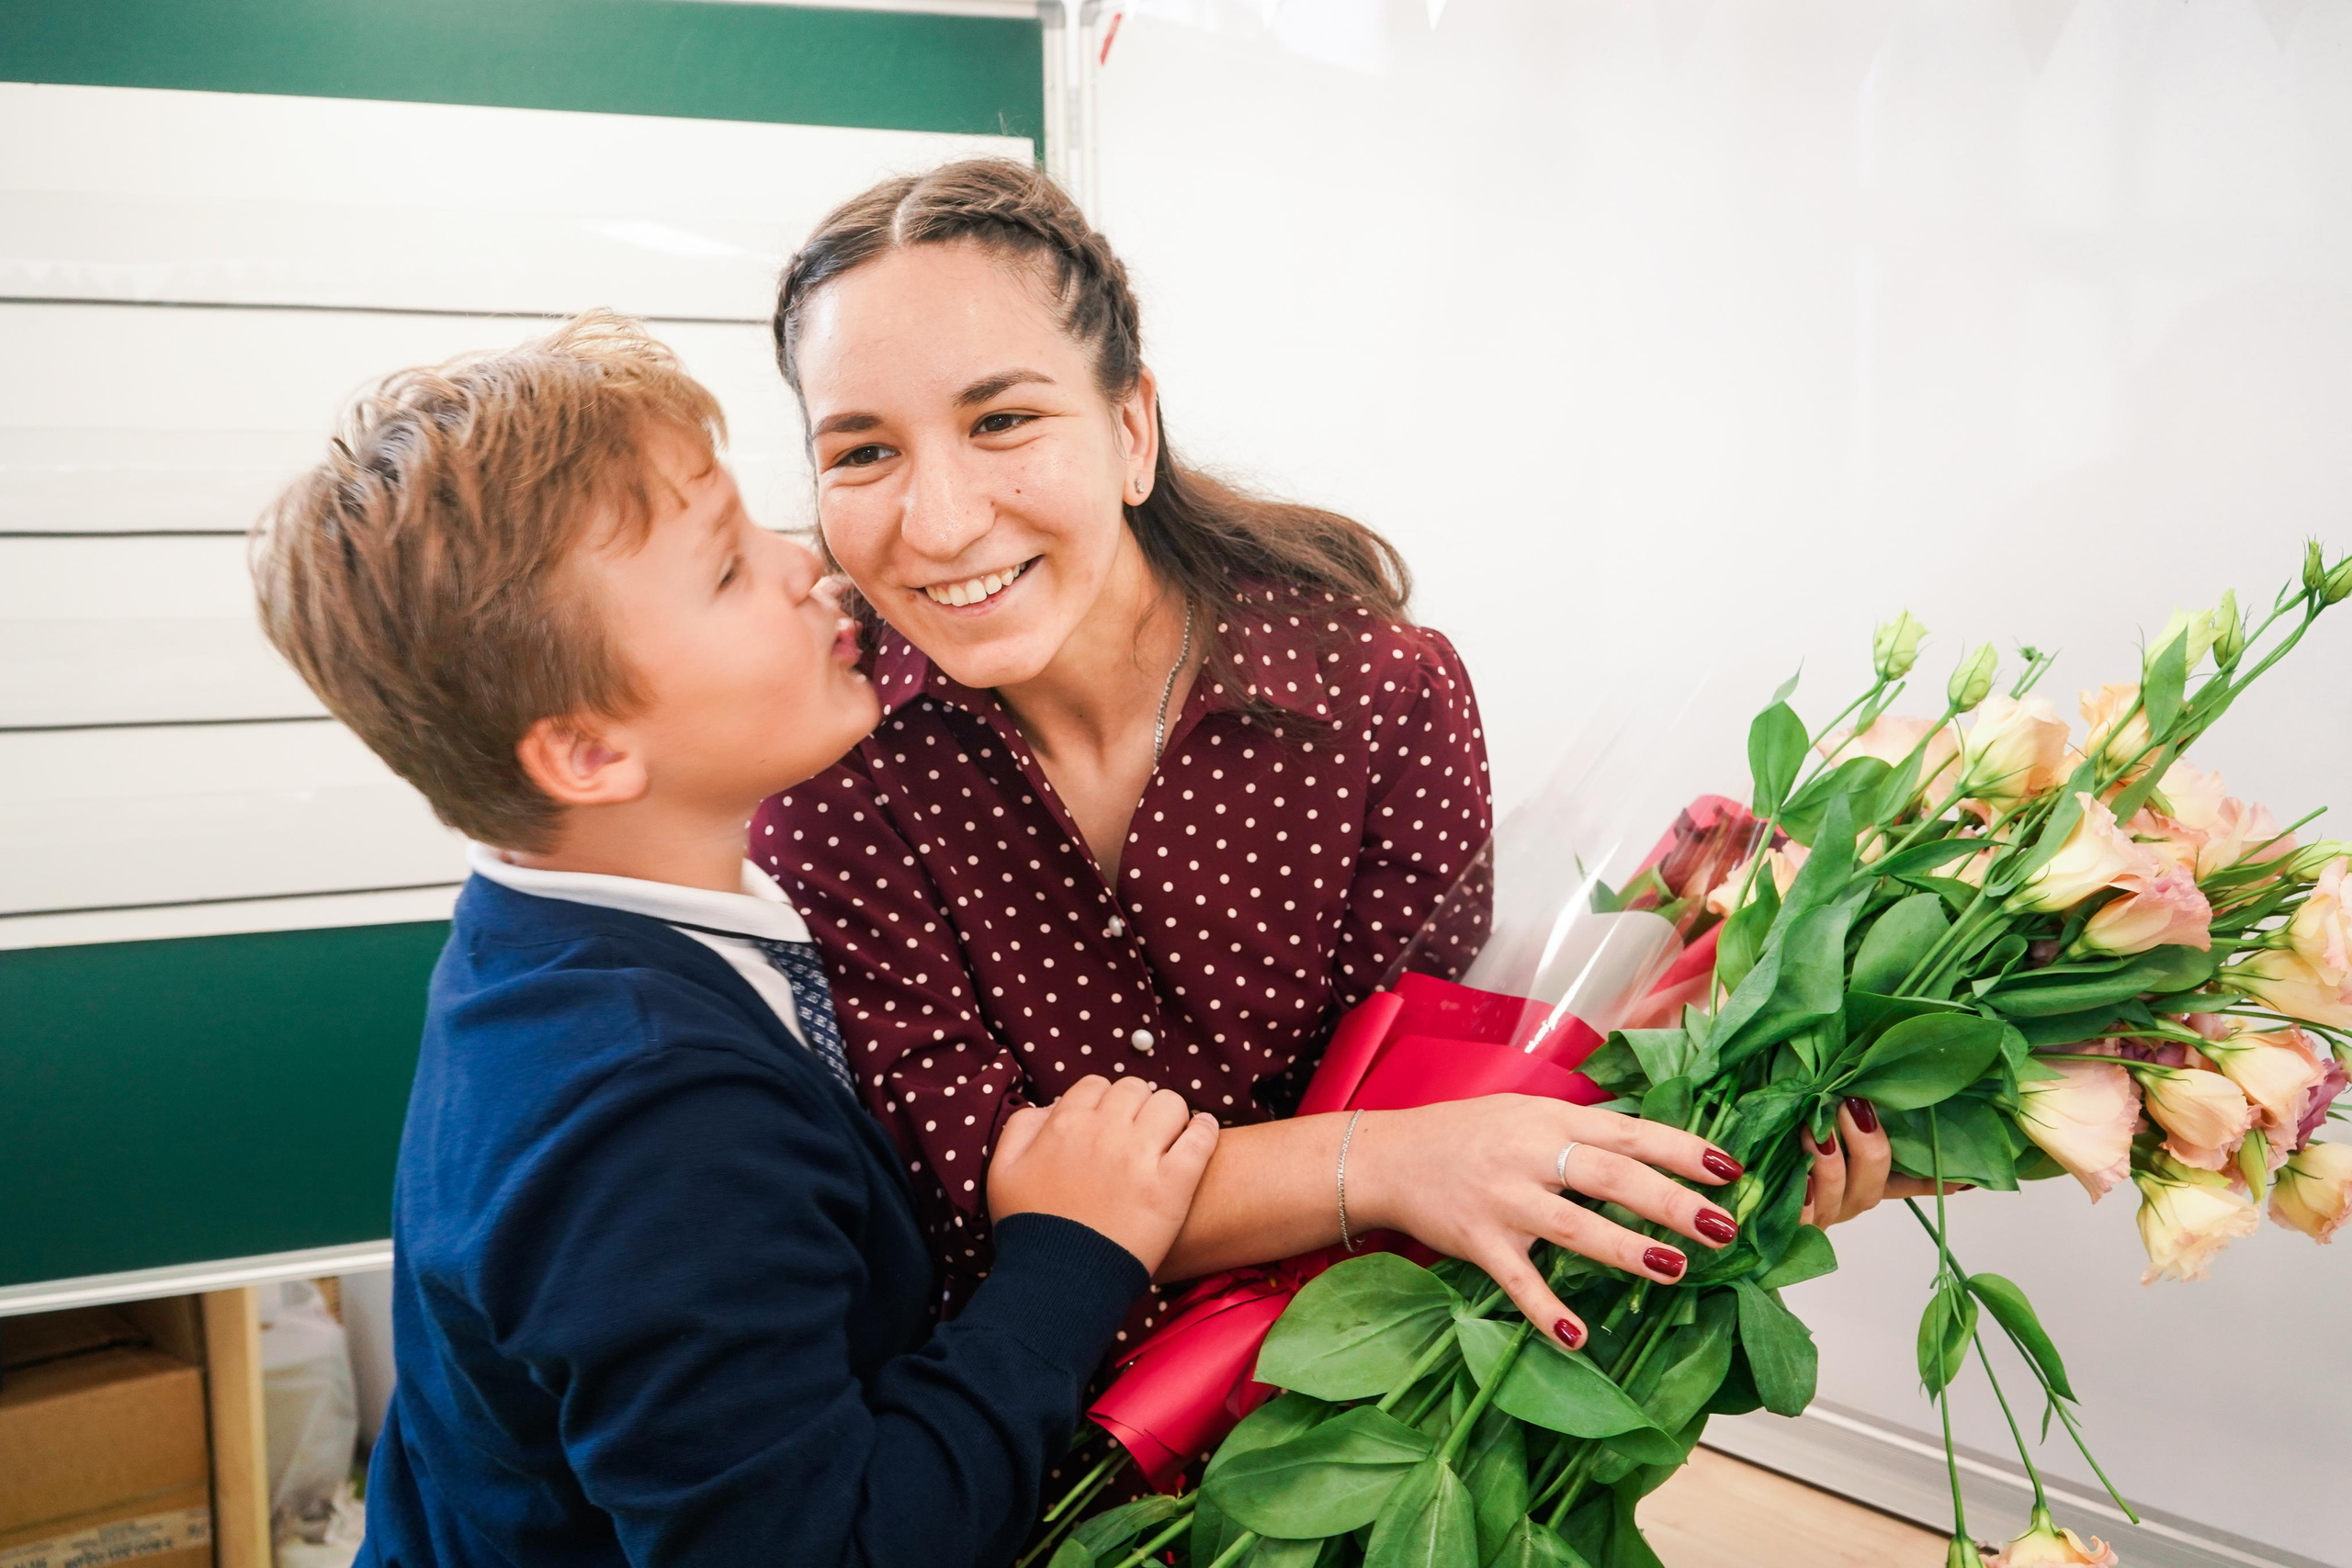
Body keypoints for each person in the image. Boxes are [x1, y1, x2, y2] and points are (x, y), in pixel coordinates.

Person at [756, 159, 1928, 1356]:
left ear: (1130, 428)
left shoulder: (1379, 692)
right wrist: (1396, 1161)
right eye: (862, 453)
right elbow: (973, 1190)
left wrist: (1759, 1141)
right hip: (1001, 1429)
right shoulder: (815, 755)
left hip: (1366, 1383)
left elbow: (1447, 1090)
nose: (940, 521)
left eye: (1001, 420)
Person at [250, 312, 1220, 1568]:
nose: (805, 566)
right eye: (723, 570)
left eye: (758, 519)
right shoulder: (644, 1122)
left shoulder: (560, 924)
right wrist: (1064, 1258)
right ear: (591, 753)